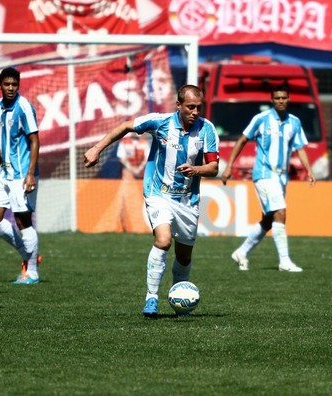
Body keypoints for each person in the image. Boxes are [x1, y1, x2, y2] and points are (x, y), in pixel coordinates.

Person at [83, 84, 219, 318]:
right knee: (164, 240)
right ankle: (152, 298)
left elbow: (214, 168)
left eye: (198, 107)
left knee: (184, 256)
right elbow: (127, 126)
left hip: (188, 200)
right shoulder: (161, 122)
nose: (195, 112)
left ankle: (180, 302)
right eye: (190, 107)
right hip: (159, 194)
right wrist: (97, 148)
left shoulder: (207, 129)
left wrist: (196, 170)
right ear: (179, 106)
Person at [221, 85, 316, 273]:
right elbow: (242, 140)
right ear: (272, 100)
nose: (281, 101)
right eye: (277, 98)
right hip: (264, 174)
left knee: (267, 220)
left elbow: (300, 148)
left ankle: (241, 252)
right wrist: (229, 165)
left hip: (281, 177)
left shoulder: (294, 122)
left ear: (289, 99)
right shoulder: (261, 119)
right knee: (280, 212)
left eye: (284, 98)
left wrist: (309, 170)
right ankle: (284, 261)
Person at [0, 67, 42, 285]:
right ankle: (28, 254)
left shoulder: (24, 107)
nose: (10, 88)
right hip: (4, 173)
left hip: (22, 175)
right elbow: (0, 138)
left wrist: (30, 175)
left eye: (14, 84)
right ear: (0, 85)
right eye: (7, 84)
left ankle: (33, 271)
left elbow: (35, 140)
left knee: (23, 221)